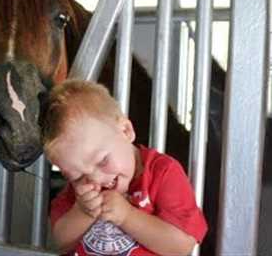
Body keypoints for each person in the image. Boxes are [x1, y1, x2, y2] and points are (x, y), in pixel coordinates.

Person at [42, 80, 208, 256]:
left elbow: (182, 246)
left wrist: (127, 216)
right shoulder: (79, 195)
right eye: (77, 177)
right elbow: (61, 243)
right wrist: (83, 212)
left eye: (102, 161)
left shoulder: (162, 172)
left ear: (126, 131)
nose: (96, 180)